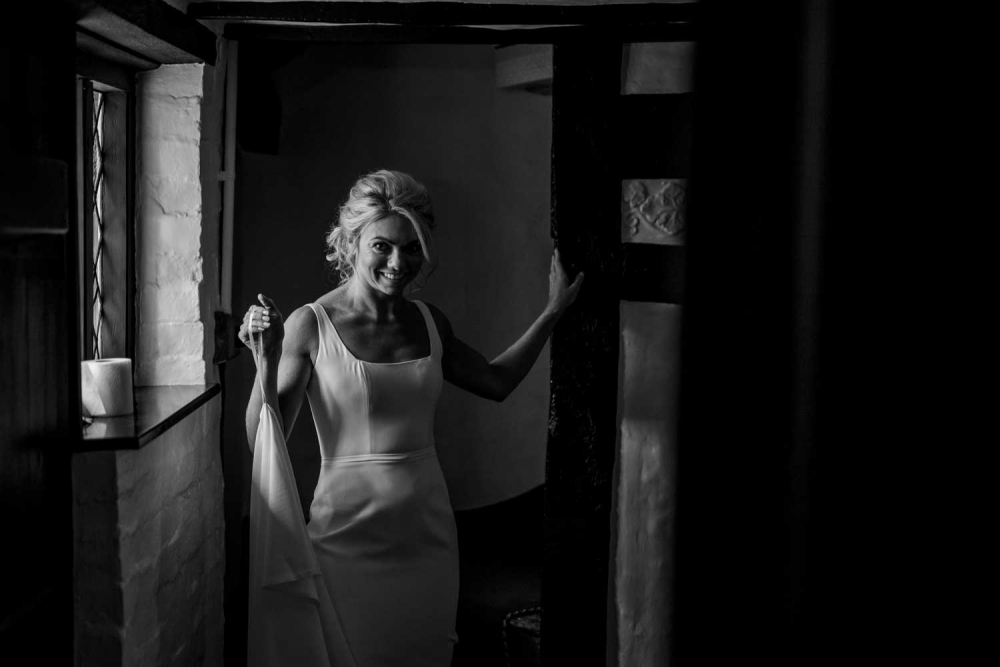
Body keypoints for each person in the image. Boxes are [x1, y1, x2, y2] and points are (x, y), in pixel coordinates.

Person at [239, 169, 584, 666]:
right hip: (345, 538)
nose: (399, 263)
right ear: (353, 243)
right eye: (382, 246)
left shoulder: (428, 320)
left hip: (428, 537)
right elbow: (261, 439)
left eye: (412, 248)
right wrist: (265, 363)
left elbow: (495, 382)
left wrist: (552, 312)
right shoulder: (310, 324)